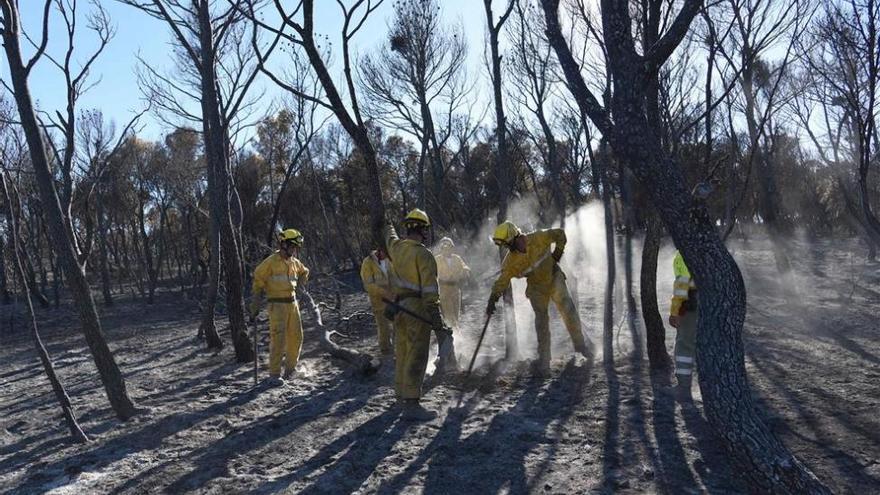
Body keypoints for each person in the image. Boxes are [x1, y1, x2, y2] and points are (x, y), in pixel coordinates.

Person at [486, 221, 594, 376]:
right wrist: (493, 298)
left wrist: (558, 252)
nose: (507, 248)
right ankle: (544, 359)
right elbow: (503, 280)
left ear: (513, 237)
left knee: (569, 312)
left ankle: (581, 346)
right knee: (541, 322)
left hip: (554, 278)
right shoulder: (510, 260)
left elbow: (560, 234)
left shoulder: (538, 237)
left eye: (507, 244)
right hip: (536, 288)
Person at [384, 209, 452, 421]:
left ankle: (400, 395)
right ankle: (412, 402)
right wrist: (437, 319)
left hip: (398, 307)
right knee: (417, 353)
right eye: (425, 229)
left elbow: (389, 236)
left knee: (402, 351)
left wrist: (386, 222)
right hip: (416, 307)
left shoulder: (396, 248)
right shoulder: (423, 254)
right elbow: (430, 291)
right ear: (422, 229)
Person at [249, 228, 310, 386]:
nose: (294, 250)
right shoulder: (270, 262)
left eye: (296, 247)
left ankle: (290, 370)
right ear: (283, 244)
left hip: (292, 304)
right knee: (279, 339)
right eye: (292, 246)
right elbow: (258, 279)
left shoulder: (294, 262)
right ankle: (274, 374)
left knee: (297, 337)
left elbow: (304, 272)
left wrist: (301, 286)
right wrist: (255, 301)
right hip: (277, 306)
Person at [668, 250, 697, 398]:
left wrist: (674, 312)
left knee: (685, 344)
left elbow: (681, 286)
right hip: (711, 308)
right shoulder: (712, 248)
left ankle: (684, 385)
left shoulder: (684, 254)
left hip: (691, 308)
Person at [360, 247, 394, 355]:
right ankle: (385, 350)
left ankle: (397, 347)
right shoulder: (368, 263)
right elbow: (368, 285)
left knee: (398, 324)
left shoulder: (388, 260)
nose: (387, 256)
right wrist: (384, 292)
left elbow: (393, 277)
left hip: (392, 299)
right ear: (380, 250)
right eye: (386, 253)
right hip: (378, 302)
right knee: (383, 327)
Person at [435, 237, 470, 329]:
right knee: (449, 317)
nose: (446, 250)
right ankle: (456, 337)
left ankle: (453, 334)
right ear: (441, 249)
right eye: (444, 248)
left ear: (452, 248)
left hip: (455, 290)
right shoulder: (437, 260)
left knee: (456, 316)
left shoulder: (457, 258)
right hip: (444, 290)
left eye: (448, 247)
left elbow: (465, 268)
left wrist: (464, 274)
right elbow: (433, 273)